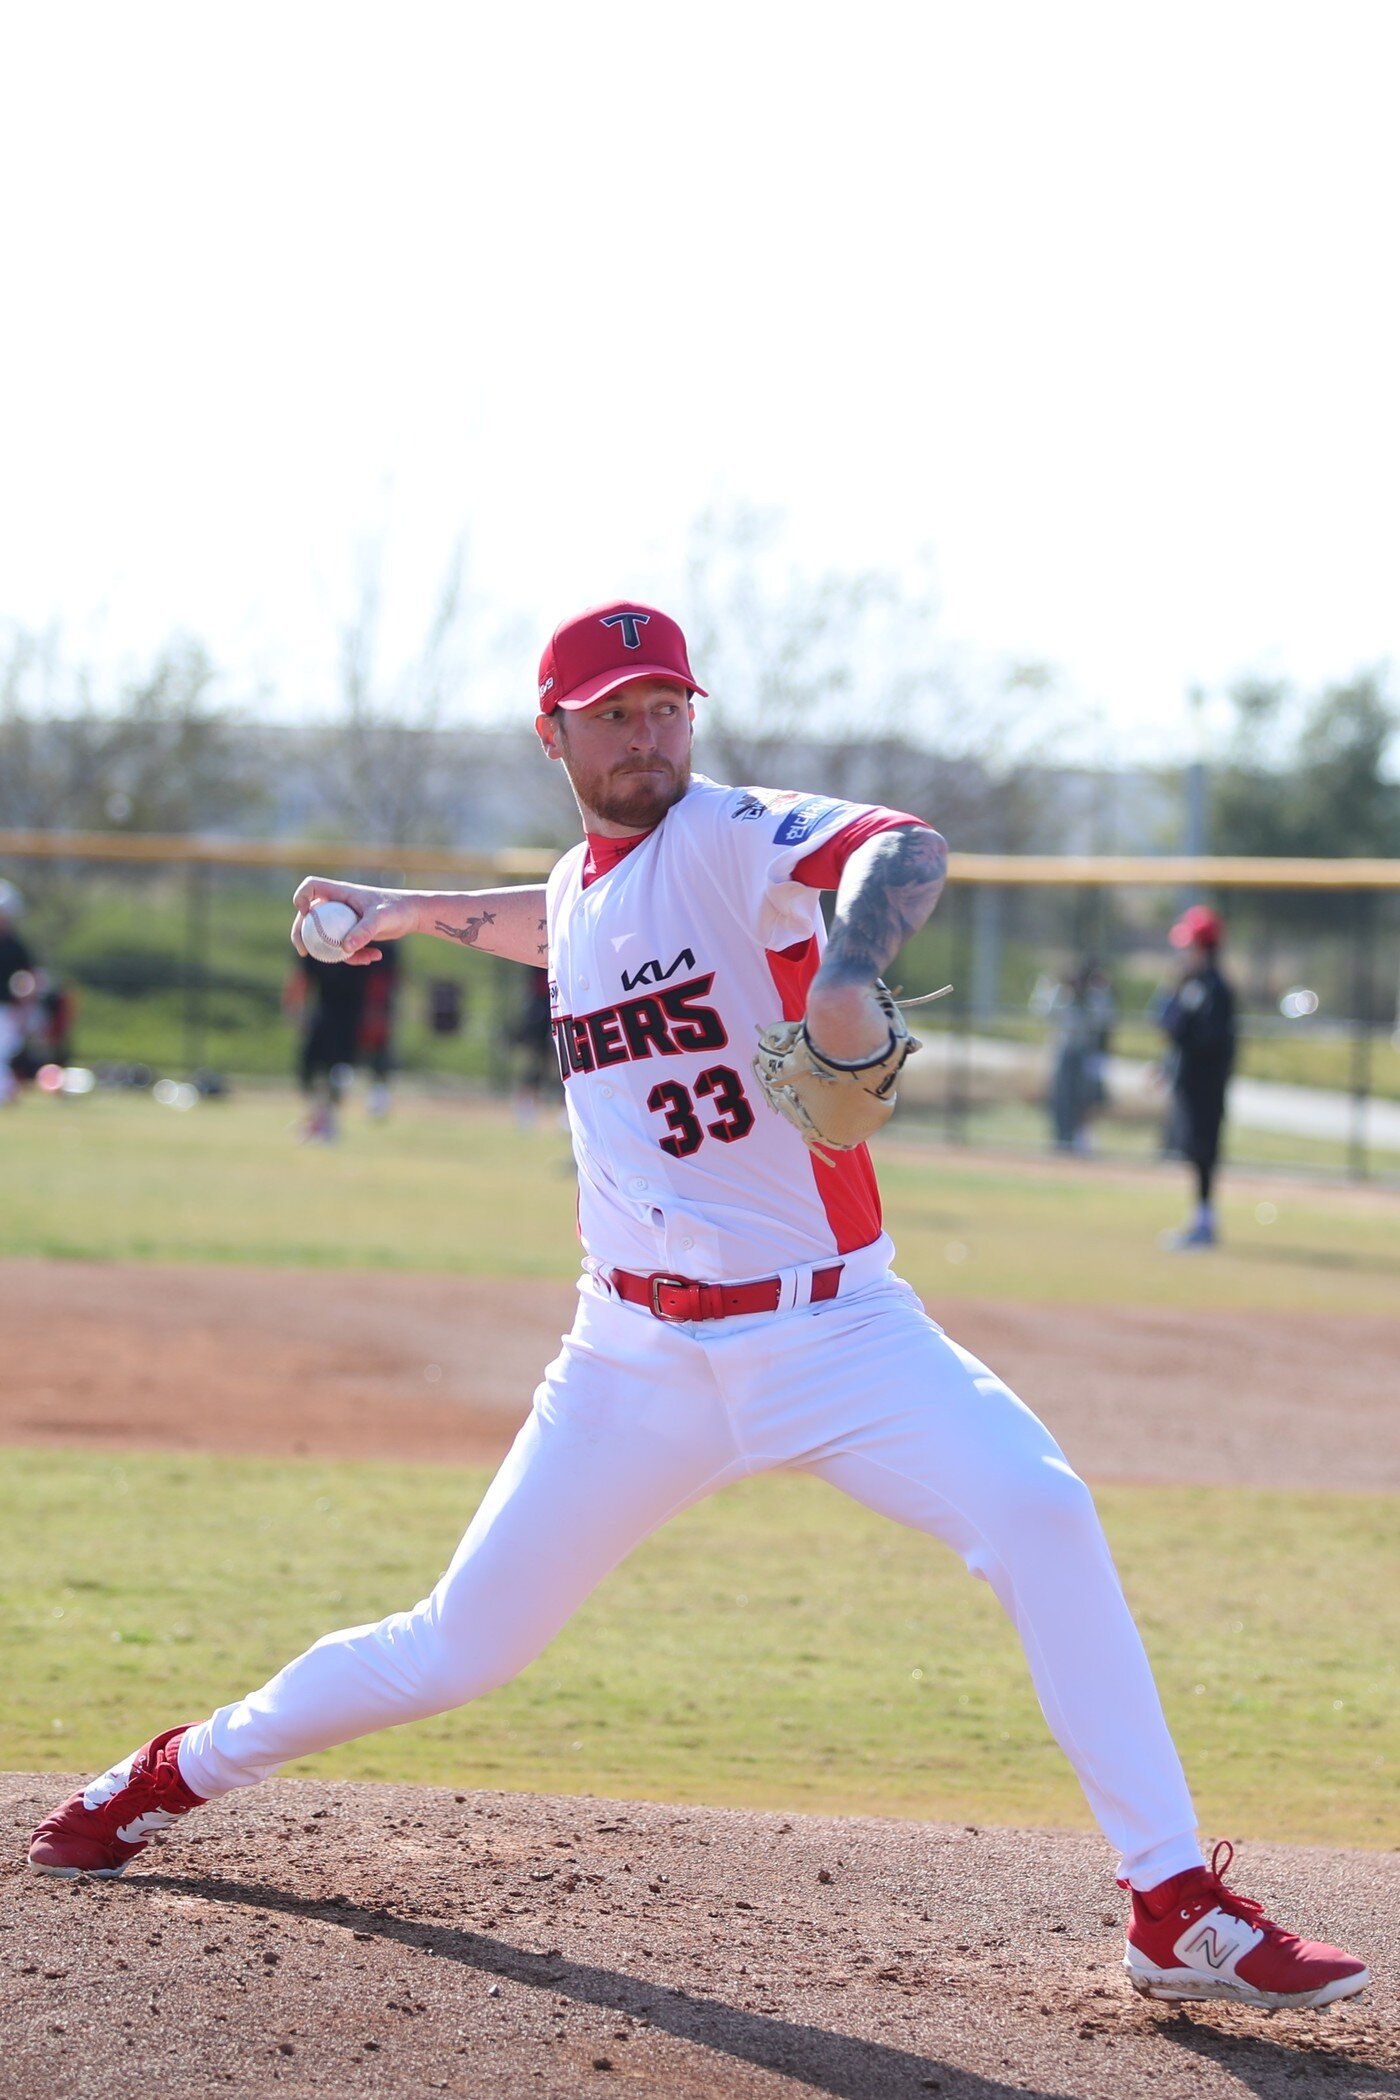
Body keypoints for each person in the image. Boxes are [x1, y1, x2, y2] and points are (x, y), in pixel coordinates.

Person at [28, 601, 1366, 2013]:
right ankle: (171, 1772)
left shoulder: (731, 836)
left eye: (665, 705)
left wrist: (843, 969)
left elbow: (904, 847)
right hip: (631, 1357)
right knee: (459, 1645)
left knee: (1039, 1509)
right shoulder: (579, 888)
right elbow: (560, 920)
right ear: (552, 737)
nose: (646, 734)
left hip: (832, 1331)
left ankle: (1170, 1900)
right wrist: (411, 911)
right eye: (613, 713)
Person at [1158, 905, 1236, 1249]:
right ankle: (1201, 1220)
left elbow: (1209, 1039)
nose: (1183, 953)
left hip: (1207, 1087)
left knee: (1204, 1152)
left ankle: (1205, 1224)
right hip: (1191, 1084)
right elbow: (1165, 1023)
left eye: (1189, 946)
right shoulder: (1191, 985)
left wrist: (1183, 1033)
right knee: (1192, 1151)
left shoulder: (1216, 989)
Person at [284, 943, 399, 1139]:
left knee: (348, 1068)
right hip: (329, 1010)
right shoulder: (317, 937)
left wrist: (378, 1015)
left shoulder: (377, 940)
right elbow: (302, 976)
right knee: (317, 1070)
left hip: (361, 1012)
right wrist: (295, 1008)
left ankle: (374, 1097)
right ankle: (323, 1119)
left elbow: (384, 979)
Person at [1037, 959, 1115, 1152]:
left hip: (1086, 1053)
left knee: (1085, 1099)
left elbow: (1104, 1019)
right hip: (1065, 1051)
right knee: (1061, 1097)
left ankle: (1079, 1138)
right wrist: (1057, 987)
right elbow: (1044, 1011)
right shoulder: (1064, 998)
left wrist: (1099, 990)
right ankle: (1061, 1138)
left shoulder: (1093, 999)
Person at [0, 880, 37, 1106]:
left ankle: (5, 1092)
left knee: (2, 1052)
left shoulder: (15, 946)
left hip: (5, 1008)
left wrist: (25, 1007)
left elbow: (28, 978)